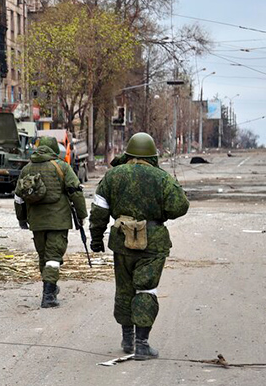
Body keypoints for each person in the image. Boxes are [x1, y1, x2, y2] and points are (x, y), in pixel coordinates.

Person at [89, 132, 189, 360]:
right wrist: (159, 213)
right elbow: (180, 207)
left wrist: (96, 238)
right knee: (145, 289)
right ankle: (142, 344)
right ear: (152, 155)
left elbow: (99, 211)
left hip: (122, 241)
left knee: (124, 288)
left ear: (129, 153)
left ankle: (127, 339)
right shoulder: (161, 178)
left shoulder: (112, 176)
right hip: (152, 242)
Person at [14, 136, 87, 308]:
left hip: (36, 221)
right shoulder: (62, 166)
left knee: (43, 256)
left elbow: (19, 197)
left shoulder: (27, 169)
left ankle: (50, 287)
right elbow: (75, 192)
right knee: (53, 257)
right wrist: (82, 215)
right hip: (58, 220)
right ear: (55, 149)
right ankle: (48, 296)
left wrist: (22, 218)